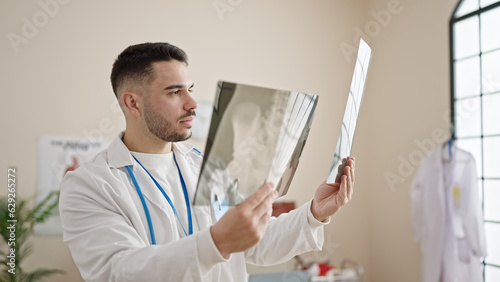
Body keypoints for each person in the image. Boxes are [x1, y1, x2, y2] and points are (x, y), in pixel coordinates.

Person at [59, 42, 355, 282]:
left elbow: (255, 243)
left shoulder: (206, 166)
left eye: (189, 88)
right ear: (133, 103)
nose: (192, 103)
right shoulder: (88, 184)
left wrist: (314, 213)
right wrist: (215, 243)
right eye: (175, 92)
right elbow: (118, 272)